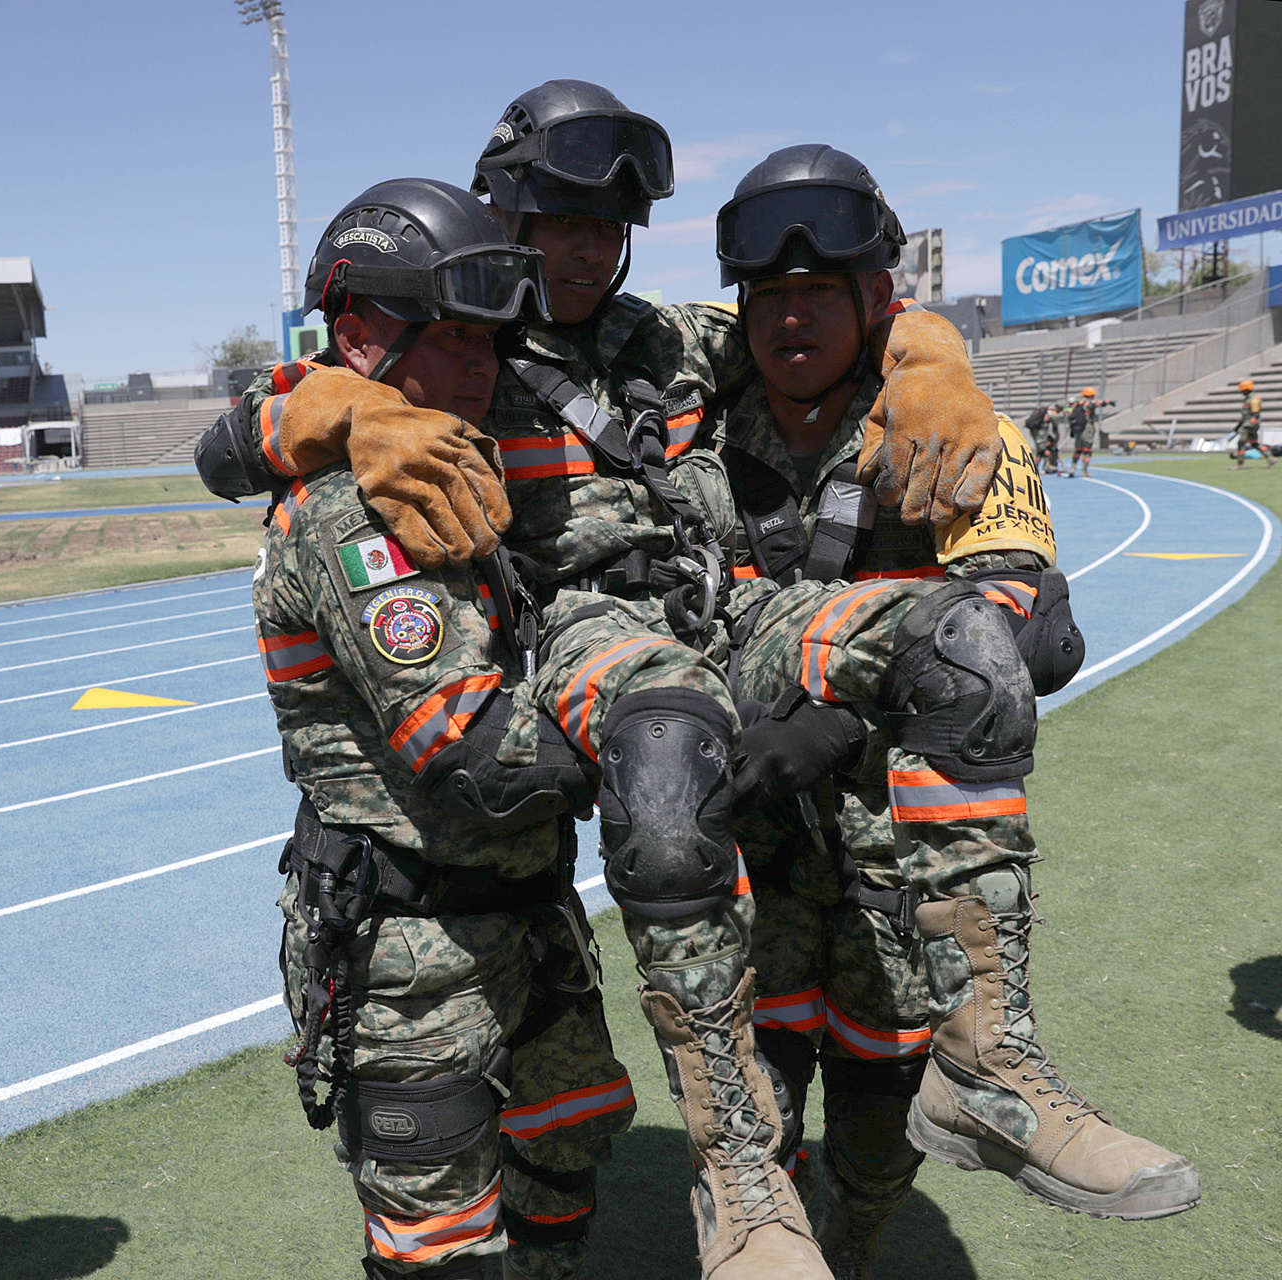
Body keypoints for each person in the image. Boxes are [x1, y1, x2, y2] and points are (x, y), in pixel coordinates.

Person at [206, 82, 1005, 1280]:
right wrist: (342, 405)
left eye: (606, 224)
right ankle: (739, 1153)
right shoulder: (442, 344)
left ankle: (997, 1054)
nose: (582, 248)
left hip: (542, 883)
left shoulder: (661, 339)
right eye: (559, 220)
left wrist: (934, 353)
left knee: (568, 1148)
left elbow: (815, 321)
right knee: (435, 1232)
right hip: (424, 890)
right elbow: (239, 437)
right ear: (502, 224)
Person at [711, 146, 1198, 1276]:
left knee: (881, 1134)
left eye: (818, 295)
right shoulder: (701, 409)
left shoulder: (953, 418)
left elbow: (1021, 632)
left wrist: (835, 720)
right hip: (750, 852)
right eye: (769, 298)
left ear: (876, 299)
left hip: (901, 865)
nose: (790, 319)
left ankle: (861, 1241)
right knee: (754, 1113)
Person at [256, 177, 645, 1280]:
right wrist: (670, 741)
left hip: (527, 917)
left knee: (564, 1160)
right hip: (411, 954)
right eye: (453, 339)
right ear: (358, 336)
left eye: (493, 340)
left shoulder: (450, 478)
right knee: (439, 1246)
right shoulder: (349, 510)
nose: (483, 364)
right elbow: (472, 753)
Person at [1065, 387, 1112, 477]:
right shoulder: (1088, 403)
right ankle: (1084, 471)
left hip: (1078, 429)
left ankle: (1073, 468)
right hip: (1087, 428)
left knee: (1078, 450)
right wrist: (1107, 402)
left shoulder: (1077, 404)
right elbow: (1098, 403)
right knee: (1087, 450)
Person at [1232, 377, 1269, 469]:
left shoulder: (1254, 399)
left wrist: (1249, 425)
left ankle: (1240, 464)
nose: (1241, 392)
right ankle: (1271, 458)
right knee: (1254, 443)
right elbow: (1246, 415)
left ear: (1246, 389)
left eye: (1242, 390)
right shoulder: (1248, 398)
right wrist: (1239, 425)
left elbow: (1255, 414)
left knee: (1241, 443)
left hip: (1249, 425)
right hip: (1248, 424)